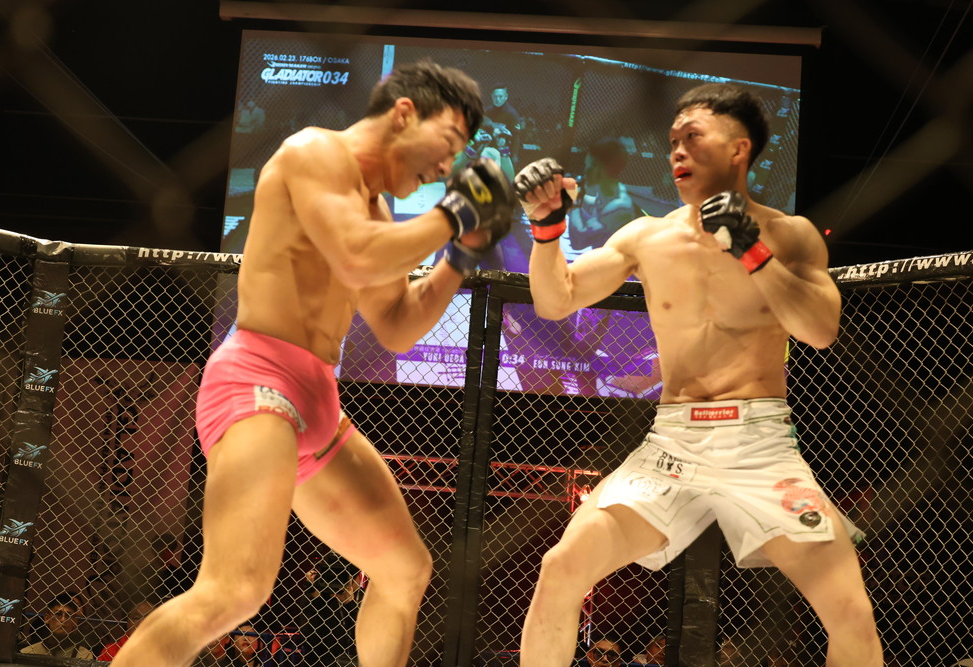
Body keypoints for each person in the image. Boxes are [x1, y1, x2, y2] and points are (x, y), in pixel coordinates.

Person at [109, 59, 514, 667]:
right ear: (405, 113)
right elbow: (354, 257)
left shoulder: (379, 212)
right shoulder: (315, 153)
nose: (446, 168)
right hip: (258, 384)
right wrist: (455, 215)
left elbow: (397, 323)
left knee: (405, 569)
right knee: (236, 589)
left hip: (318, 398)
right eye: (449, 143)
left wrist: (460, 253)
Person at [515, 82, 882, 666]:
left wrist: (751, 251)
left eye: (693, 137)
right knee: (561, 568)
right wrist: (547, 229)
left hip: (760, 446)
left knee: (851, 613)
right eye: (672, 141)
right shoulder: (646, 237)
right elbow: (555, 300)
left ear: (739, 149)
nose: (677, 151)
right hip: (673, 444)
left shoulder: (790, 234)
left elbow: (819, 330)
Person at [20, 594, 95, 659]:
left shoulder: (84, 655)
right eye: (58, 614)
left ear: (74, 622)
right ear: (47, 618)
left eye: (68, 615)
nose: (63, 619)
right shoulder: (28, 652)